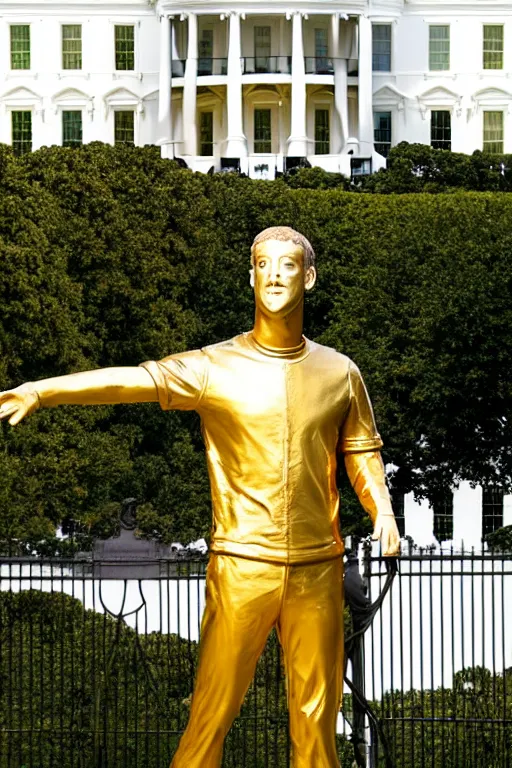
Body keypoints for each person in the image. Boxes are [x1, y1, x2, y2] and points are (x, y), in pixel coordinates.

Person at [0, 226, 400, 767]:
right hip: (241, 567)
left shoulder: (340, 372)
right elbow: (132, 381)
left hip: (318, 570)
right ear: (251, 276)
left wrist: (383, 511)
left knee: (316, 728)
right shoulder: (215, 366)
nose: (275, 275)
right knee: (210, 719)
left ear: (308, 277)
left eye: (287, 265)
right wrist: (42, 391)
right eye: (264, 264)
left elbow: (360, 452)